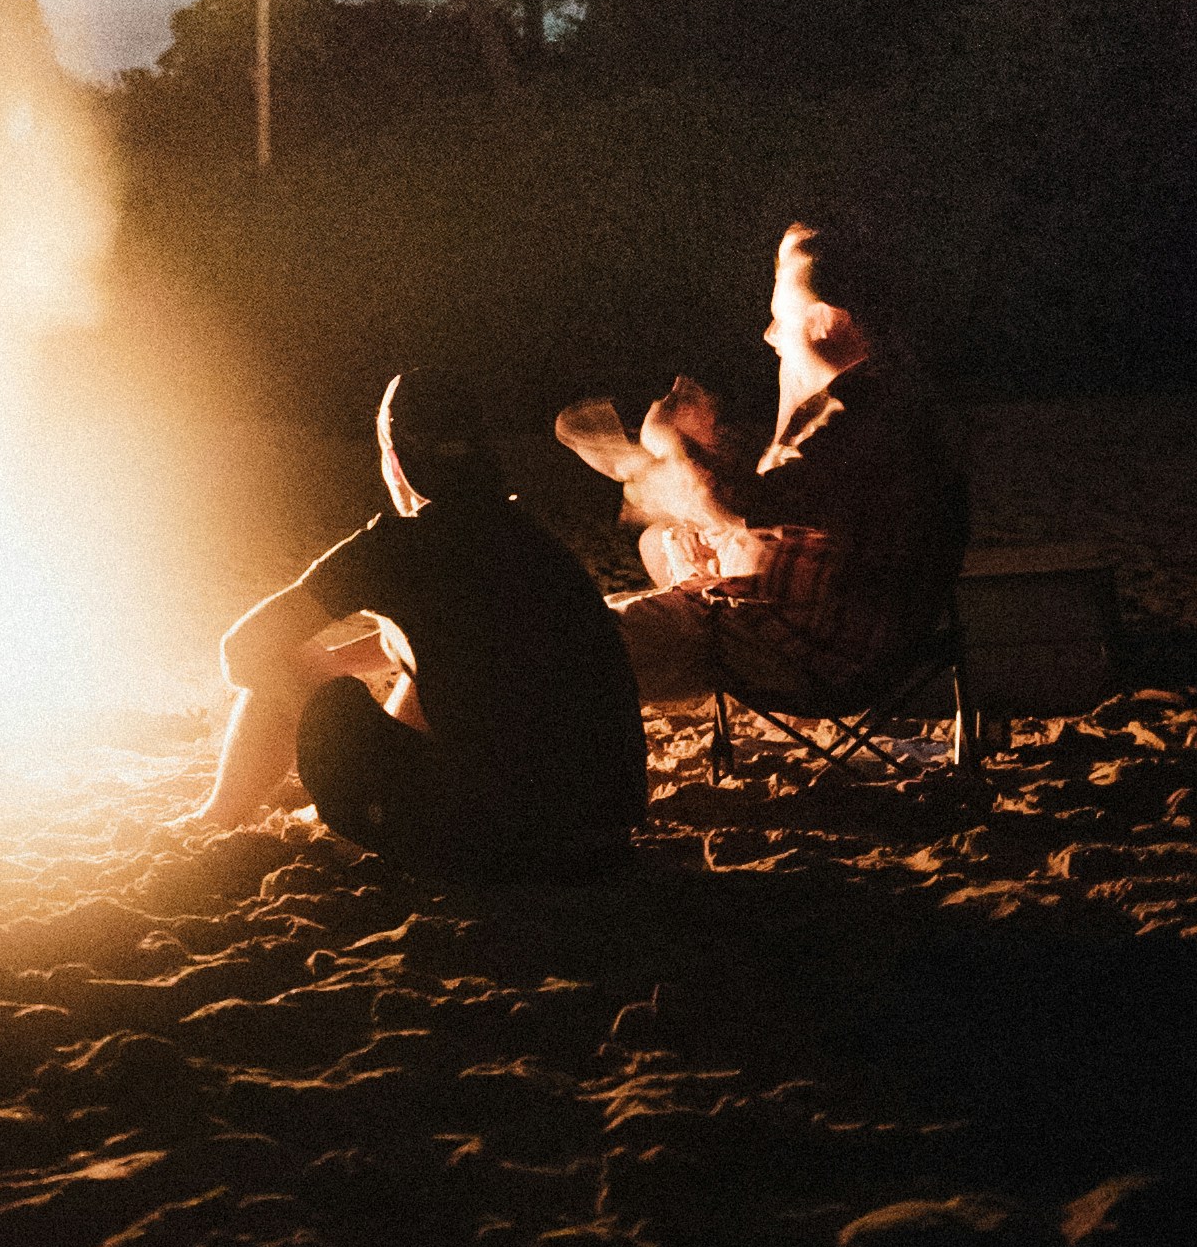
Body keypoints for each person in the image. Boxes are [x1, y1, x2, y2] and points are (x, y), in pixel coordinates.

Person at [193, 364, 649, 877]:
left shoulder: (393, 547)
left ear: (395, 459)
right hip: (598, 836)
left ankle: (216, 816)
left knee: (281, 658)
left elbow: (243, 651)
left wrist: (313, 677)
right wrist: (341, 661)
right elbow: (452, 634)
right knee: (438, 673)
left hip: (493, 844)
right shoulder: (527, 536)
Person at [556, 216, 966, 721]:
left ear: (826, 321)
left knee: (567, 648)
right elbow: (789, 513)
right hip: (805, 626)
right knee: (655, 545)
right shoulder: (878, 403)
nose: (770, 334)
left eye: (779, 314)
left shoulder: (856, 417)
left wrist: (666, 456)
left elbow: (745, 505)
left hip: (801, 651)